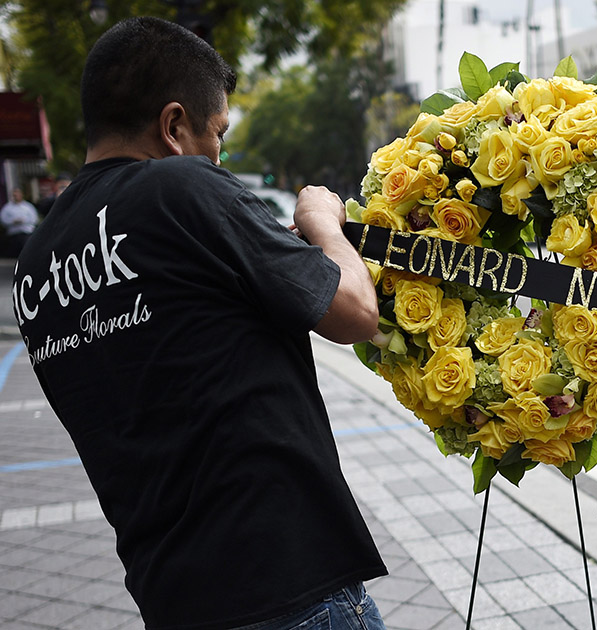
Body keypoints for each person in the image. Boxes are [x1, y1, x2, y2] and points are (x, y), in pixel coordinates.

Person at [13, 16, 388, 630]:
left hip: (172, 597)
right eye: (219, 134)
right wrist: (321, 220)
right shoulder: (182, 187)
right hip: (288, 582)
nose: (219, 154)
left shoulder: (35, 263)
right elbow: (355, 314)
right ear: (174, 125)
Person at [0, 187, 39, 257]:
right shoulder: (7, 207)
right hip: (14, 234)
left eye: (17, 194)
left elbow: (34, 219)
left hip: (26, 233)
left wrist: (23, 221)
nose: (16, 196)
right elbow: (3, 219)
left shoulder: (28, 206)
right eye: (14, 195)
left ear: (21, 195)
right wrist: (12, 221)